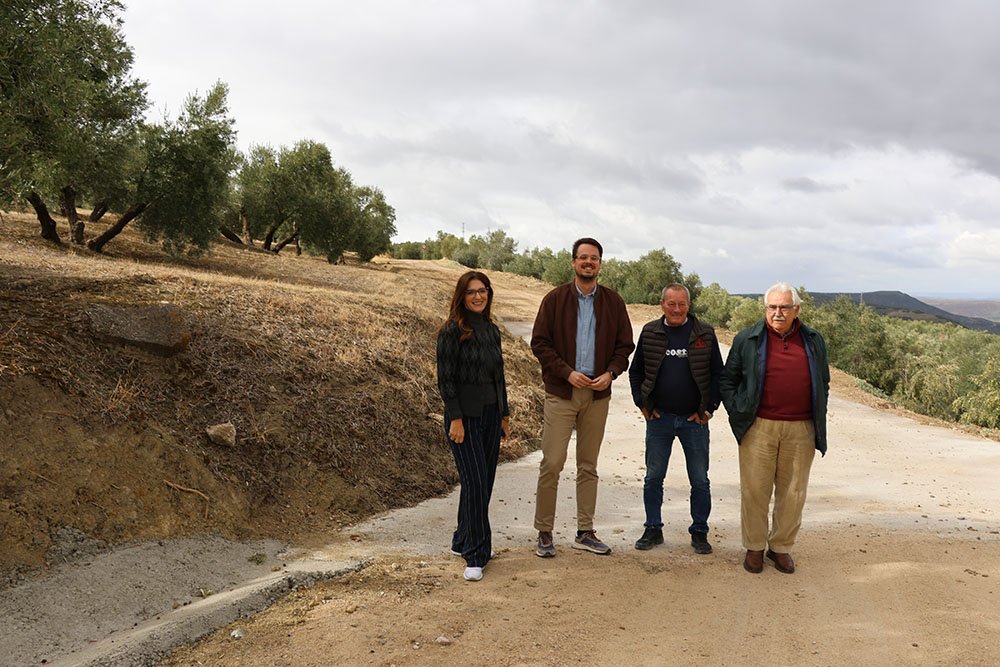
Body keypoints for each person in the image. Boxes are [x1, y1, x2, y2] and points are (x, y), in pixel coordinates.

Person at [530, 237, 634, 557]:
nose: (588, 263)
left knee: (588, 465)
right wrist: (566, 372)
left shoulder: (614, 303)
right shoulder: (554, 300)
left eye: (594, 258)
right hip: (562, 393)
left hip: (597, 396)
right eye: (583, 258)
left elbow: (624, 346)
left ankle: (585, 531)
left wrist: (611, 373)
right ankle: (544, 532)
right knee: (552, 462)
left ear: (600, 264)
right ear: (573, 262)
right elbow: (540, 344)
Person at [720, 282, 829, 575]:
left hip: (801, 428)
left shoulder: (814, 340)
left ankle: (780, 548)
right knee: (755, 491)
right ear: (765, 309)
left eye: (784, 307)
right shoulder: (747, 339)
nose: (777, 313)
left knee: (793, 493)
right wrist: (738, 410)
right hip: (759, 427)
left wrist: (819, 419)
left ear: (797, 310)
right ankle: (754, 548)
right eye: (772, 307)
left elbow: (824, 382)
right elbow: (727, 380)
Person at [628, 283, 723, 554]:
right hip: (660, 420)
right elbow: (636, 372)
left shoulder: (704, 332)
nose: (677, 309)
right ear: (662, 305)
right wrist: (642, 404)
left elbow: (718, 373)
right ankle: (653, 528)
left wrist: (709, 408)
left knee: (700, 480)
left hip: (695, 422)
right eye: (672, 304)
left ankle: (700, 532)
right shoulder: (650, 332)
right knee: (653, 477)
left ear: (688, 306)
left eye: (682, 304)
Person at [436, 271, 511, 582]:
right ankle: (477, 554)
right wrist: (455, 418)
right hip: (464, 420)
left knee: (481, 484)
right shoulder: (451, 331)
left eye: (483, 291)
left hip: (492, 416)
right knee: (477, 483)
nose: (478, 296)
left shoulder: (492, 330)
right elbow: (445, 379)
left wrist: (505, 414)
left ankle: (461, 540)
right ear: (461, 296)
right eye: (471, 292)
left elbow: (499, 376)